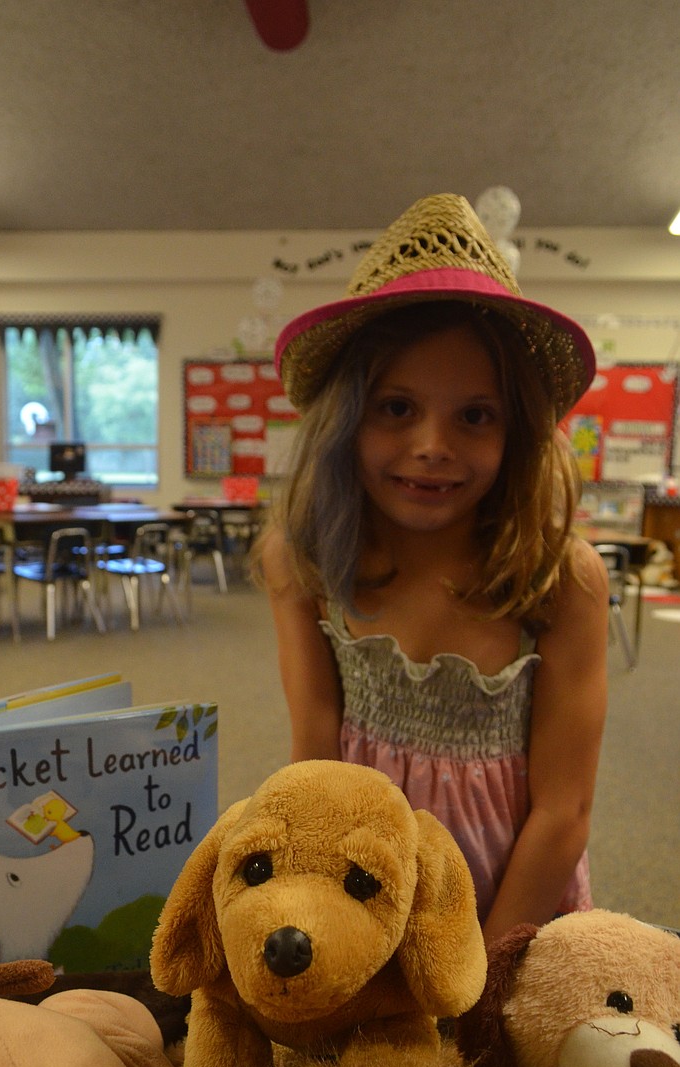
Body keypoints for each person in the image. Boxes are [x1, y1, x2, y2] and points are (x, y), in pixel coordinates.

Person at [257, 193, 609, 947]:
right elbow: (316, 753)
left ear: (515, 431)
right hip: (364, 898)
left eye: (474, 415)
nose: (432, 444)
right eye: (396, 407)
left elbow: (563, 811)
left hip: (513, 914)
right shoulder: (306, 560)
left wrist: (476, 971)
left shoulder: (559, 579)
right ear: (347, 418)